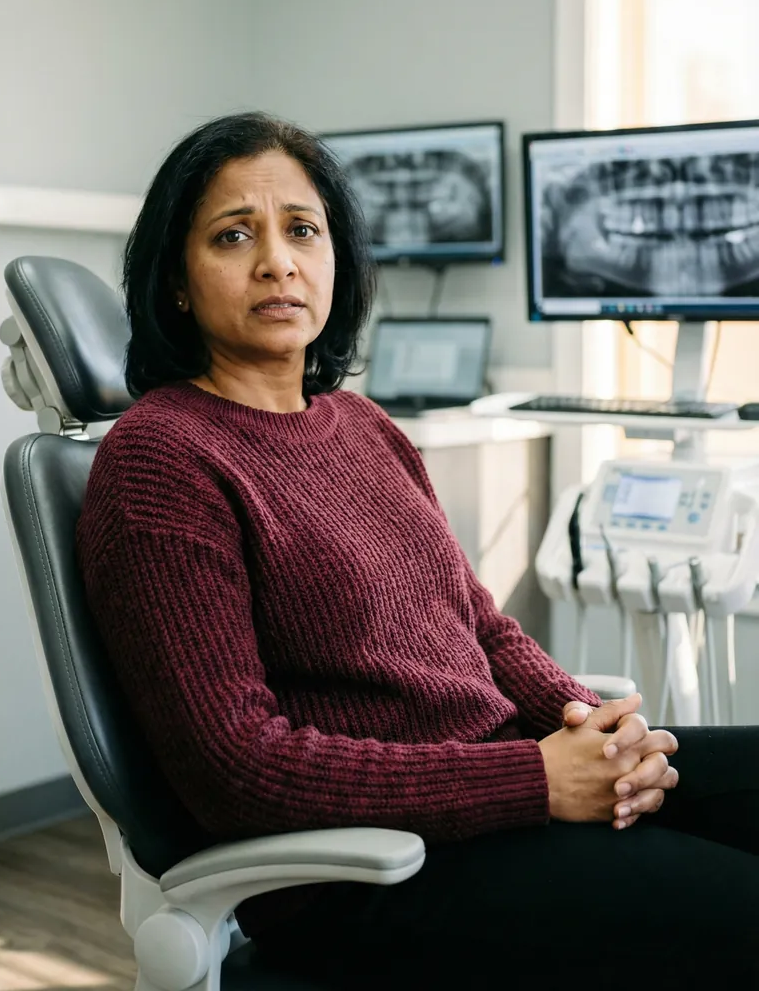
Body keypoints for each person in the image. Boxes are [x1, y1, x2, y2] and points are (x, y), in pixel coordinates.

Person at [76, 113, 759, 989]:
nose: (277, 261)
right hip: (373, 875)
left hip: (501, 793)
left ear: (337, 261)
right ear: (176, 279)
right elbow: (236, 766)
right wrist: (534, 781)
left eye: (302, 230)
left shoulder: (361, 425)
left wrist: (597, 729)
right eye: (233, 234)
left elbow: (480, 625)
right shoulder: (162, 461)